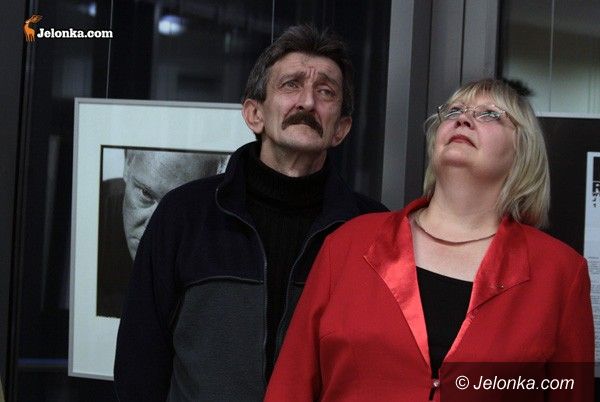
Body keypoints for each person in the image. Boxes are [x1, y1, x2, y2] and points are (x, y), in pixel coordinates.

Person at [265, 79, 594, 401]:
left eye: (490, 114)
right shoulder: (350, 243)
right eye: (453, 111)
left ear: (522, 151)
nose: (463, 119)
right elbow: (291, 385)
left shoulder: (561, 272)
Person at [113, 25, 387, 402]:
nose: (308, 102)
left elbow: (380, 369)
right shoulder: (184, 215)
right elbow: (139, 364)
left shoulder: (372, 230)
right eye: (291, 85)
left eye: (326, 92)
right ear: (254, 113)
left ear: (340, 128)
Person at [97, 149, 228, 317]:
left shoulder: (225, 240)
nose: (154, 229)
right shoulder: (93, 211)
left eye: (180, 207)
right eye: (146, 194)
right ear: (128, 163)